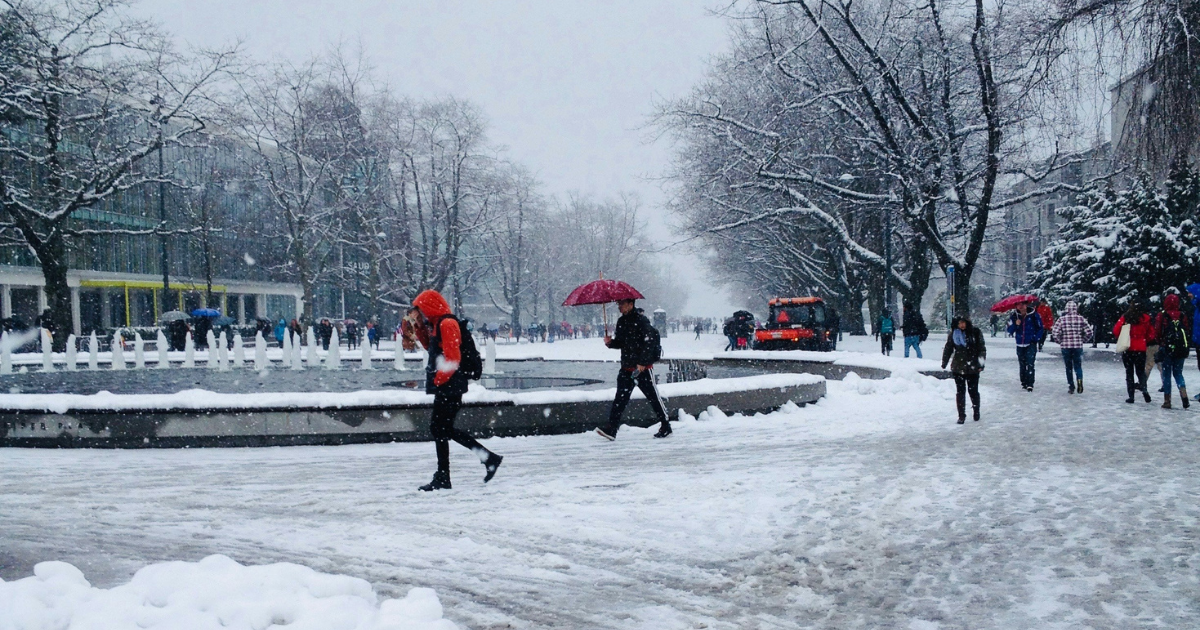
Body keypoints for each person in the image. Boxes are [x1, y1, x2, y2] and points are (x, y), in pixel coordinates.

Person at [412, 290, 503, 491]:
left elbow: (453, 358)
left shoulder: (448, 324)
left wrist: (438, 379)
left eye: (420, 309)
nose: (419, 313)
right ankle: (484, 460)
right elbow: (433, 349)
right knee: (441, 429)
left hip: (451, 385)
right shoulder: (438, 325)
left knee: (441, 429)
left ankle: (448, 475)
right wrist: (419, 329)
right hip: (447, 385)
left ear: (430, 306)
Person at [595, 298, 672, 441]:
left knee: (653, 397)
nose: (619, 307)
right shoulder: (621, 322)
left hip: (641, 369)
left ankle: (665, 425)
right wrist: (610, 343)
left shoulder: (642, 321)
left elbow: (649, 342)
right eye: (618, 304)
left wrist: (643, 362)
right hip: (626, 367)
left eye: (622, 304)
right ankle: (612, 429)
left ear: (631, 305)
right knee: (620, 399)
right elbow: (621, 343)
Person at [941, 316, 986, 424]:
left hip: (973, 366)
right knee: (960, 392)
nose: (962, 325)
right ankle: (961, 415)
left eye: (963, 323)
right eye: (959, 323)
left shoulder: (975, 333)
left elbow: (981, 348)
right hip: (958, 366)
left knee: (973, 390)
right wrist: (944, 362)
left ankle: (976, 410)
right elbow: (948, 348)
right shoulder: (954, 334)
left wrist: (981, 363)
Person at [1154, 293, 1191, 409]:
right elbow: (1187, 330)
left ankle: (1167, 400)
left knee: (1166, 375)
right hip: (1180, 349)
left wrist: (1161, 342)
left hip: (1167, 348)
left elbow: (1158, 331)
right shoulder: (1182, 315)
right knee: (1178, 373)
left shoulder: (1162, 315)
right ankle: (1184, 396)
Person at [1113, 301, 1154, 404]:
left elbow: (1116, 330)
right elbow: (1151, 334)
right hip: (1141, 348)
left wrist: (1123, 336)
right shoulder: (1146, 318)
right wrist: (1144, 340)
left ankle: (1131, 396)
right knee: (1140, 372)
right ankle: (1144, 390)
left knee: (1129, 372)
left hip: (1128, 347)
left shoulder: (1126, 317)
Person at [1050, 301, 1094, 394]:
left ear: (1066, 309)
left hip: (1066, 346)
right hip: (1077, 345)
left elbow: (1055, 332)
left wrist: (1060, 341)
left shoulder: (1062, 319)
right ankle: (1079, 380)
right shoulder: (1081, 319)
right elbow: (1089, 332)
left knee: (1068, 367)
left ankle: (1071, 386)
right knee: (1078, 365)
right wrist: (1083, 340)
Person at [1007, 300, 1043, 391]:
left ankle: (1030, 383)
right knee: (1022, 364)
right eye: (1018, 305)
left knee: (1030, 363)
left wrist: (1035, 338)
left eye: (1022, 304)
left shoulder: (1034, 315)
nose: (1021, 307)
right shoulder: (1014, 316)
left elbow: (1040, 328)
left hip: (1030, 343)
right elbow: (1010, 330)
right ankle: (1024, 382)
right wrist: (1015, 324)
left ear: (1026, 305)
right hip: (1020, 343)